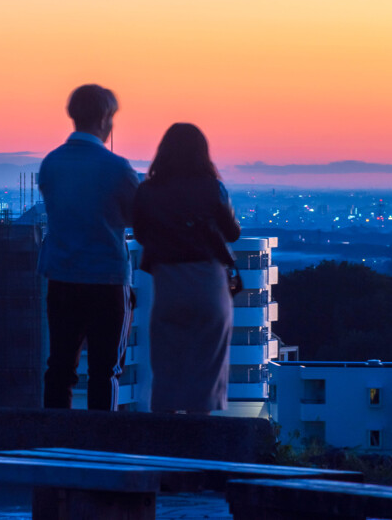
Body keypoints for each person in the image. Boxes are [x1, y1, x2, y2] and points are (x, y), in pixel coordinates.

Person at [38, 84, 140, 410]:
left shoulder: (51, 164)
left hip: (61, 276)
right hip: (107, 278)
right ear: (105, 119)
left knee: (60, 367)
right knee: (105, 370)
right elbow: (135, 215)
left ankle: (54, 440)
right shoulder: (117, 168)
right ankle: (102, 442)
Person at [132, 123, 241, 414]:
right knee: (206, 373)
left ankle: (163, 446)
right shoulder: (213, 188)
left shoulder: (147, 192)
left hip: (169, 287)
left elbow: (141, 235)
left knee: (167, 372)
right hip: (209, 285)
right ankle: (198, 447)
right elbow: (232, 234)